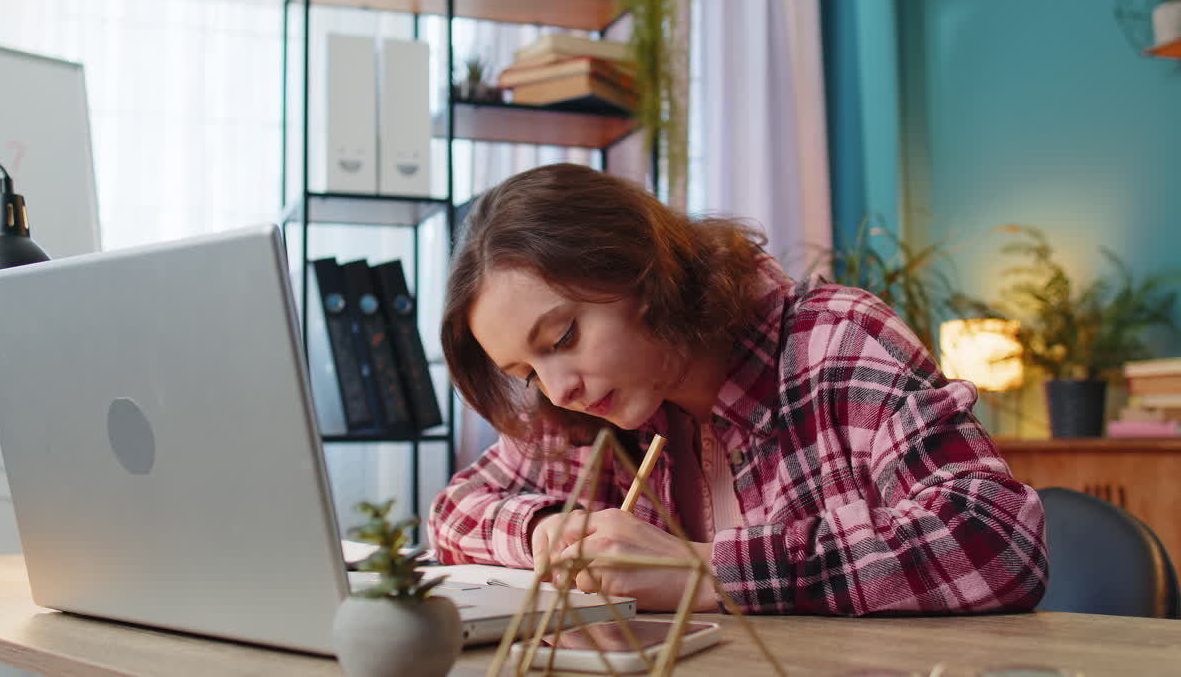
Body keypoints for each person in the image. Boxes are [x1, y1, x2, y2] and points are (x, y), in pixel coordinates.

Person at [428, 163, 1047, 616]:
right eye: (527, 373)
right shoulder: (588, 409)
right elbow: (453, 511)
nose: (559, 390)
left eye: (563, 336)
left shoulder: (835, 341)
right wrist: (545, 530)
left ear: (641, 269)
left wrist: (701, 572)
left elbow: (994, 538)